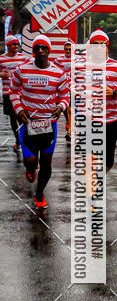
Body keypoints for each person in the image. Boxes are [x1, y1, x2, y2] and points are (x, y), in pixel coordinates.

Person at [10, 34, 69, 210]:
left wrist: (61, 107)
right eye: (37, 48)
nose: (40, 51)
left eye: (44, 48)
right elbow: (13, 92)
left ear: (49, 51)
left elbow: (65, 96)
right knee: (30, 161)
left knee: (46, 160)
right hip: (29, 123)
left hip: (48, 124)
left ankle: (39, 193)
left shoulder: (59, 73)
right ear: (33, 51)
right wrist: (19, 109)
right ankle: (30, 169)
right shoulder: (22, 70)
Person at [86, 30, 117, 172]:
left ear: (107, 47)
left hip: (111, 121)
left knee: (107, 163)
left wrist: (114, 92)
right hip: (89, 120)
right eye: (96, 44)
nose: (99, 47)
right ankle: (94, 190)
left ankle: (99, 180)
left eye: (103, 44)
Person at [0, 34, 29, 151]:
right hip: (7, 92)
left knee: (22, 117)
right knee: (13, 118)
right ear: (8, 46)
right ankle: (18, 141)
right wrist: (1, 74)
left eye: (17, 44)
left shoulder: (23, 58)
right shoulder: (1, 59)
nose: (16, 46)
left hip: (21, 93)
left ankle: (24, 140)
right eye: (13, 44)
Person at [54, 41, 74, 142]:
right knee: (66, 110)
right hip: (63, 88)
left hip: (74, 88)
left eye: (70, 49)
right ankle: (68, 121)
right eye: (66, 49)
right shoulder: (59, 60)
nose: (68, 51)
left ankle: (70, 131)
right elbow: (54, 72)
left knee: (71, 109)